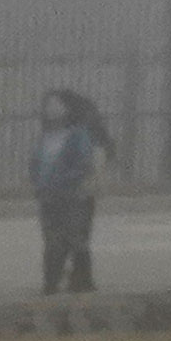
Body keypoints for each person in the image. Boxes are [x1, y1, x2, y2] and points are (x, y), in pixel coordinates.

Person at [35, 88, 112, 292]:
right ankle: (56, 282)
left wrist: (60, 182)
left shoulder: (79, 135)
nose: (49, 109)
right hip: (51, 195)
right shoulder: (48, 136)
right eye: (47, 104)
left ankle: (75, 281)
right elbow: (37, 164)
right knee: (55, 239)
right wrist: (40, 184)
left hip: (75, 195)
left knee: (73, 239)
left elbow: (83, 165)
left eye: (55, 104)